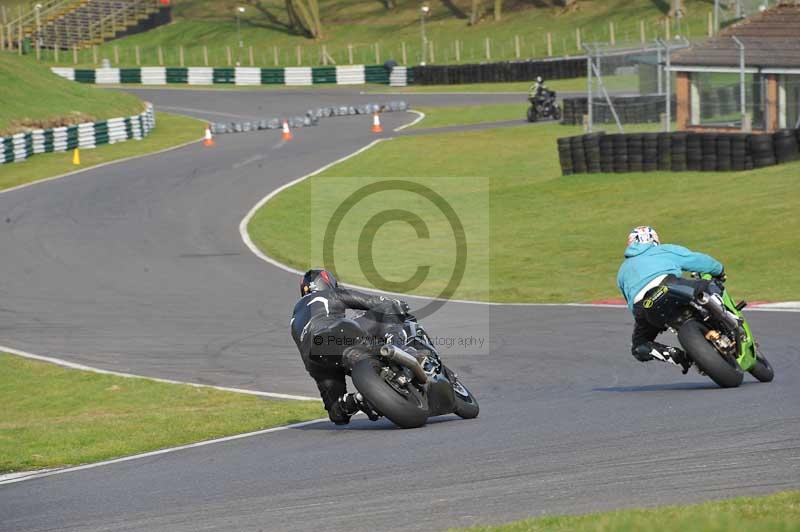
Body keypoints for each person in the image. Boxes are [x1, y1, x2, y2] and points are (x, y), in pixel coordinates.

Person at [290, 268, 411, 425]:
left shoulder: (294, 317)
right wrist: (396, 304)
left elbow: (304, 350)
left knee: (337, 414)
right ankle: (398, 350)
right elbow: (374, 302)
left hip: (316, 361)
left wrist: (318, 373)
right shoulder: (331, 294)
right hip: (337, 333)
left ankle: (357, 400)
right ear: (328, 283)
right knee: (386, 310)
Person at [616, 226, 725, 372]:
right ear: (655, 240)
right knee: (709, 286)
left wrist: (644, 319)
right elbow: (696, 260)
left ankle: (675, 355)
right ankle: (722, 316)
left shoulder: (622, 270)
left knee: (639, 346)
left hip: (644, 305)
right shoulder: (663, 250)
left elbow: (630, 302)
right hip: (668, 286)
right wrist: (719, 270)